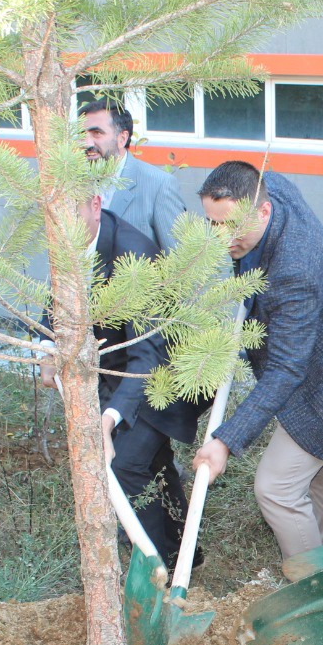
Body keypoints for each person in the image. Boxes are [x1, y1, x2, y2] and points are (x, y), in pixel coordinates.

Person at [193, 162, 323, 561]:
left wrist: (225, 441)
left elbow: (286, 368)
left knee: (276, 489)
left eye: (231, 226)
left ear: (263, 211)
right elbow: (266, 176)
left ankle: (315, 588)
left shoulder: (294, 270)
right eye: (213, 223)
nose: (221, 237)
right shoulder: (271, 188)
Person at [89, 198, 207, 568]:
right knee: (153, 461)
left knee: (126, 463)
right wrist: (47, 346)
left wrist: (108, 419)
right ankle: (181, 553)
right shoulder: (69, 238)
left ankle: (157, 567)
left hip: (168, 375)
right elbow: (55, 295)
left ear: (94, 204)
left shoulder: (133, 256)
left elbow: (147, 356)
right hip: (127, 372)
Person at [80, 99, 186, 252]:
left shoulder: (159, 186)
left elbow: (180, 258)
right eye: (81, 134)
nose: (86, 143)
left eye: (97, 133)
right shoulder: (72, 185)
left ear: (122, 138)